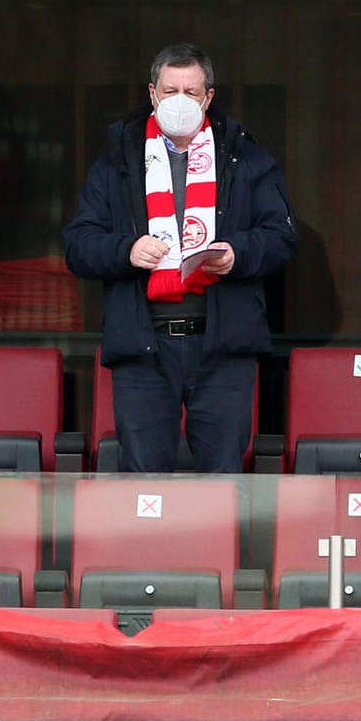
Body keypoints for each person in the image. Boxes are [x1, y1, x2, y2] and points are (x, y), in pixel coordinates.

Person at [65, 43, 296, 472]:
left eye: (191, 92)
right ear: (152, 93)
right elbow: (78, 244)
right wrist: (127, 250)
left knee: (223, 481)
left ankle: (219, 545)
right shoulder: (117, 159)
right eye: (170, 91)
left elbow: (281, 236)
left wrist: (237, 254)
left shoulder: (245, 157)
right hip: (143, 346)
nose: (180, 101)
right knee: (145, 486)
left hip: (223, 345)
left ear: (209, 97)